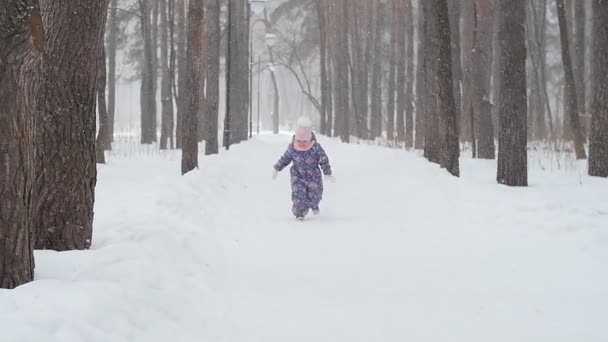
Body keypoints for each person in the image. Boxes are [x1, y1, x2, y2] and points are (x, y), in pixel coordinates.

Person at [272, 117, 335, 220]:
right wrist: (277, 168)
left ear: (310, 139)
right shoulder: (292, 148)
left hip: (313, 176)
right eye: (299, 140)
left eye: (304, 141)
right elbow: (285, 159)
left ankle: (314, 205)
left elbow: (323, 160)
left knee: (314, 194)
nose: (301, 143)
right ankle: (300, 213)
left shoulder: (315, 148)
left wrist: (327, 172)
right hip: (297, 175)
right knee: (298, 194)